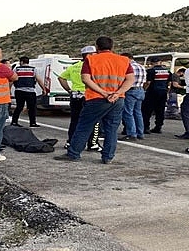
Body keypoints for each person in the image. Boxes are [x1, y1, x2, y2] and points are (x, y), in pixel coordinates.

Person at [54, 36, 134, 164]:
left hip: (96, 98)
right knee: (111, 129)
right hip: (117, 99)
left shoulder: (91, 59)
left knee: (84, 126)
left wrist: (102, 92)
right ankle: (107, 157)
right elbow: (130, 79)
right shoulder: (124, 60)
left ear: (97, 47)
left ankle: (74, 153)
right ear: (112, 47)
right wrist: (118, 93)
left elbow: (86, 78)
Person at [57, 46, 102, 151]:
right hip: (89, 95)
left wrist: (68, 90)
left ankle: (70, 142)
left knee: (75, 120)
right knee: (94, 121)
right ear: (89, 55)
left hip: (75, 96)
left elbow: (61, 78)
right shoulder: (93, 66)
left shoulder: (74, 66)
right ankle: (92, 143)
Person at [11, 56, 47, 127]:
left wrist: (9, 89)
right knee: (32, 108)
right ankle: (32, 123)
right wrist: (44, 89)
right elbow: (39, 80)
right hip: (30, 91)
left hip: (19, 91)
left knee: (19, 107)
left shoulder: (16, 69)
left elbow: (12, 80)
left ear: (21, 62)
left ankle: (14, 122)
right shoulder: (33, 69)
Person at [119, 53, 146, 141]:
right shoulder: (141, 67)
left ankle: (131, 133)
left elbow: (124, 79)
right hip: (140, 90)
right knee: (138, 112)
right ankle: (140, 133)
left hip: (130, 90)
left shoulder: (129, 67)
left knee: (127, 112)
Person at [142, 57, 170, 134]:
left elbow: (148, 82)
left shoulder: (150, 71)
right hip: (163, 92)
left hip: (152, 92)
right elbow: (169, 83)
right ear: (160, 62)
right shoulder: (167, 71)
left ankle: (146, 127)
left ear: (152, 63)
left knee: (147, 110)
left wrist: (144, 89)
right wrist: (167, 92)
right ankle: (158, 127)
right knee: (160, 110)